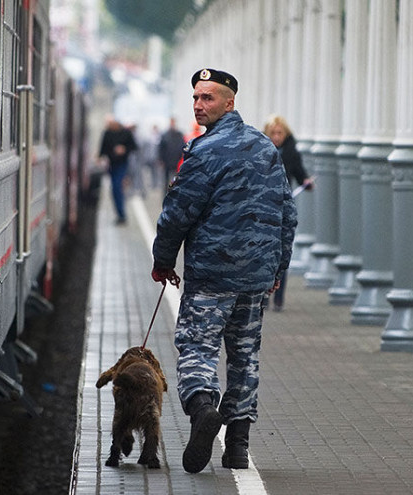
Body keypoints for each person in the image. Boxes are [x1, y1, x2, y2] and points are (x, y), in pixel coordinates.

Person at [150, 68, 297, 474]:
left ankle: (202, 411)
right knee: (244, 358)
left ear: (230, 102)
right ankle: (237, 446)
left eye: (208, 98)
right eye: (196, 97)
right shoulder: (266, 148)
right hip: (255, 278)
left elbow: (177, 213)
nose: (199, 105)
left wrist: (163, 260)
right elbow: (288, 215)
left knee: (197, 348)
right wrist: (277, 268)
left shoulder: (205, 150)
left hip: (212, 275)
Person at [263, 114, 313, 311]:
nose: (276, 136)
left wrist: (306, 182)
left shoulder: (292, 152)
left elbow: (300, 173)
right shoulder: (261, 150)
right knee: (265, 252)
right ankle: (265, 295)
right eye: (273, 133)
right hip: (264, 207)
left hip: (284, 208)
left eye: (280, 133)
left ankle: (279, 297)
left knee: (282, 251)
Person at [98, 116, 138, 224]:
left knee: (117, 186)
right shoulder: (107, 133)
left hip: (122, 164)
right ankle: (120, 213)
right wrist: (100, 157)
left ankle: (122, 214)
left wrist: (124, 149)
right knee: (114, 189)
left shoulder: (126, 133)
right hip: (112, 164)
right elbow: (103, 148)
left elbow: (134, 147)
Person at [158, 117, 185, 188]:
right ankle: (165, 193)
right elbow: (161, 148)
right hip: (167, 160)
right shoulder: (165, 135)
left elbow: (182, 146)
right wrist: (161, 160)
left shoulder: (179, 134)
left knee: (176, 179)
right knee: (166, 180)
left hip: (177, 160)